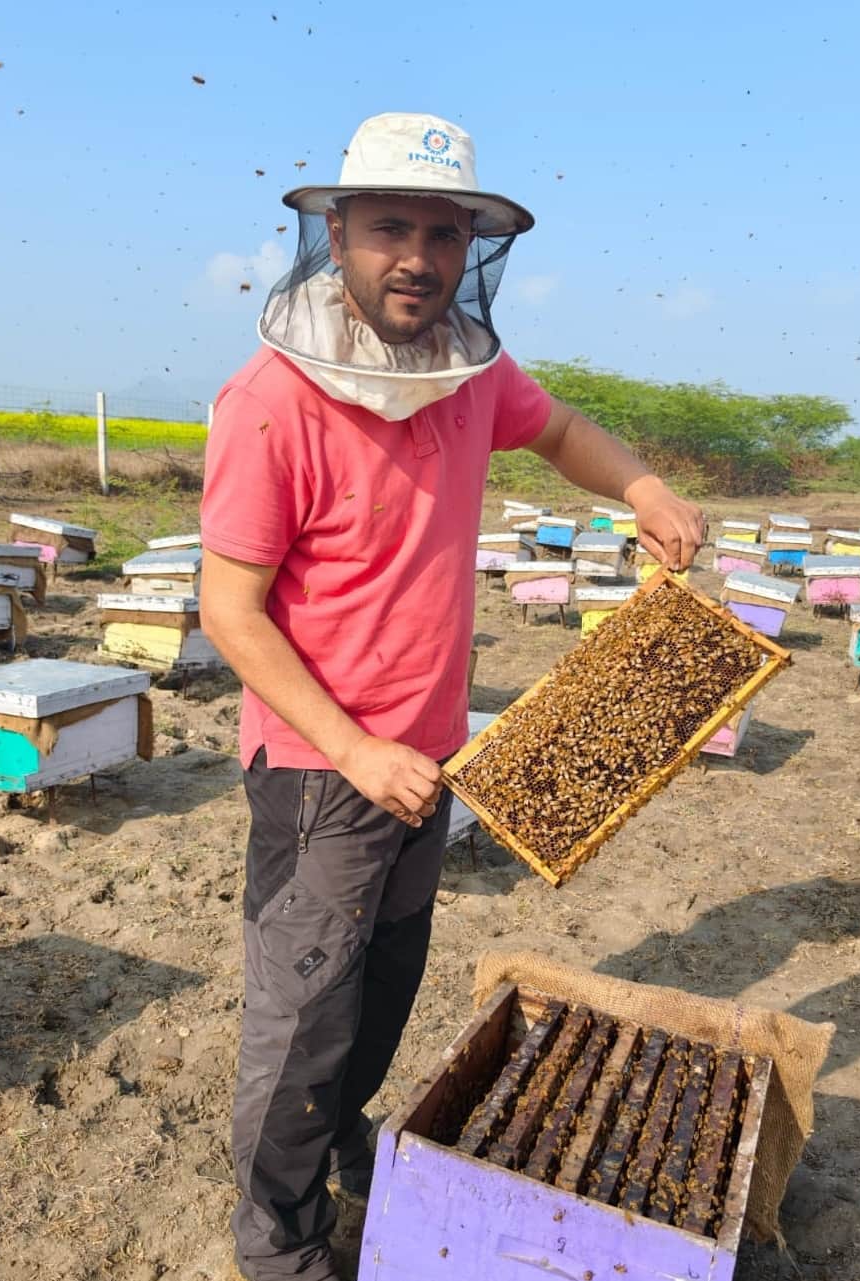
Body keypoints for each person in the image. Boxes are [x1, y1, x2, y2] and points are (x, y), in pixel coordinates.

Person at [199, 111, 704, 1281]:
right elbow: (231, 614)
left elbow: (564, 428)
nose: (416, 256)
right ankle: (277, 1238)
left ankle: (341, 1137)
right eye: (389, 228)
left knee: (383, 986)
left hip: (426, 761)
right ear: (335, 235)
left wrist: (641, 482)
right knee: (302, 1021)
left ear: (472, 244)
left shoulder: (471, 373)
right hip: (324, 770)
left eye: (441, 230)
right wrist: (358, 750)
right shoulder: (269, 401)